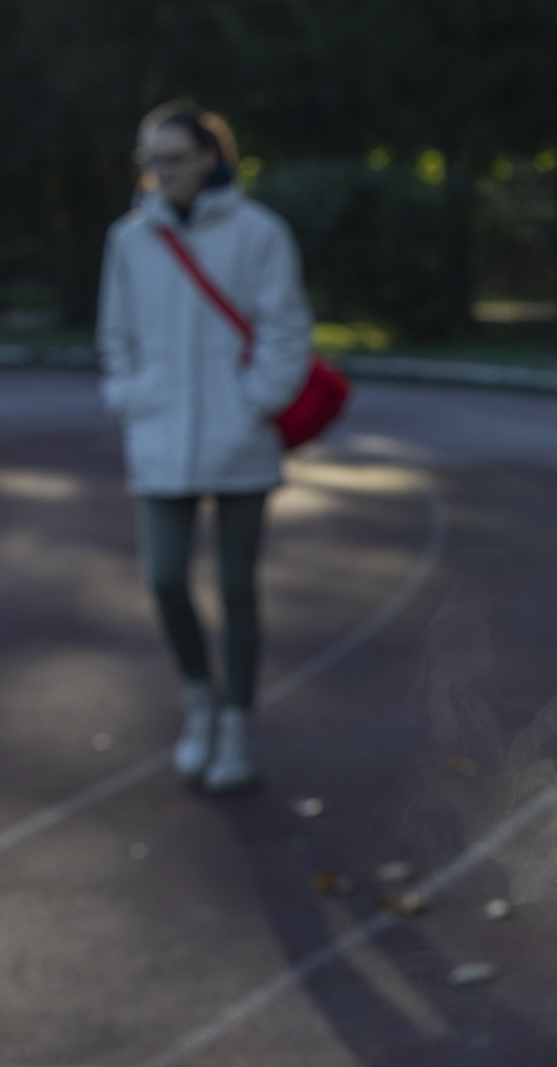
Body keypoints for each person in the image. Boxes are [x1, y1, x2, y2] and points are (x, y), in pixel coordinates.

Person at [97, 101, 311, 794]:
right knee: (163, 579)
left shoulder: (259, 233)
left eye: (173, 157)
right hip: (159, 436)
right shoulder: (128, 240)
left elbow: (286, 330)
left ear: (209, 157)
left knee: (237, 588)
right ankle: (200, 700)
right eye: (150, 159)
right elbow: (115, 336)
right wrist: (131, 396)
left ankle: (237, 727)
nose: (160, 171)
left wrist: (252, 405)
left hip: (239, 438)